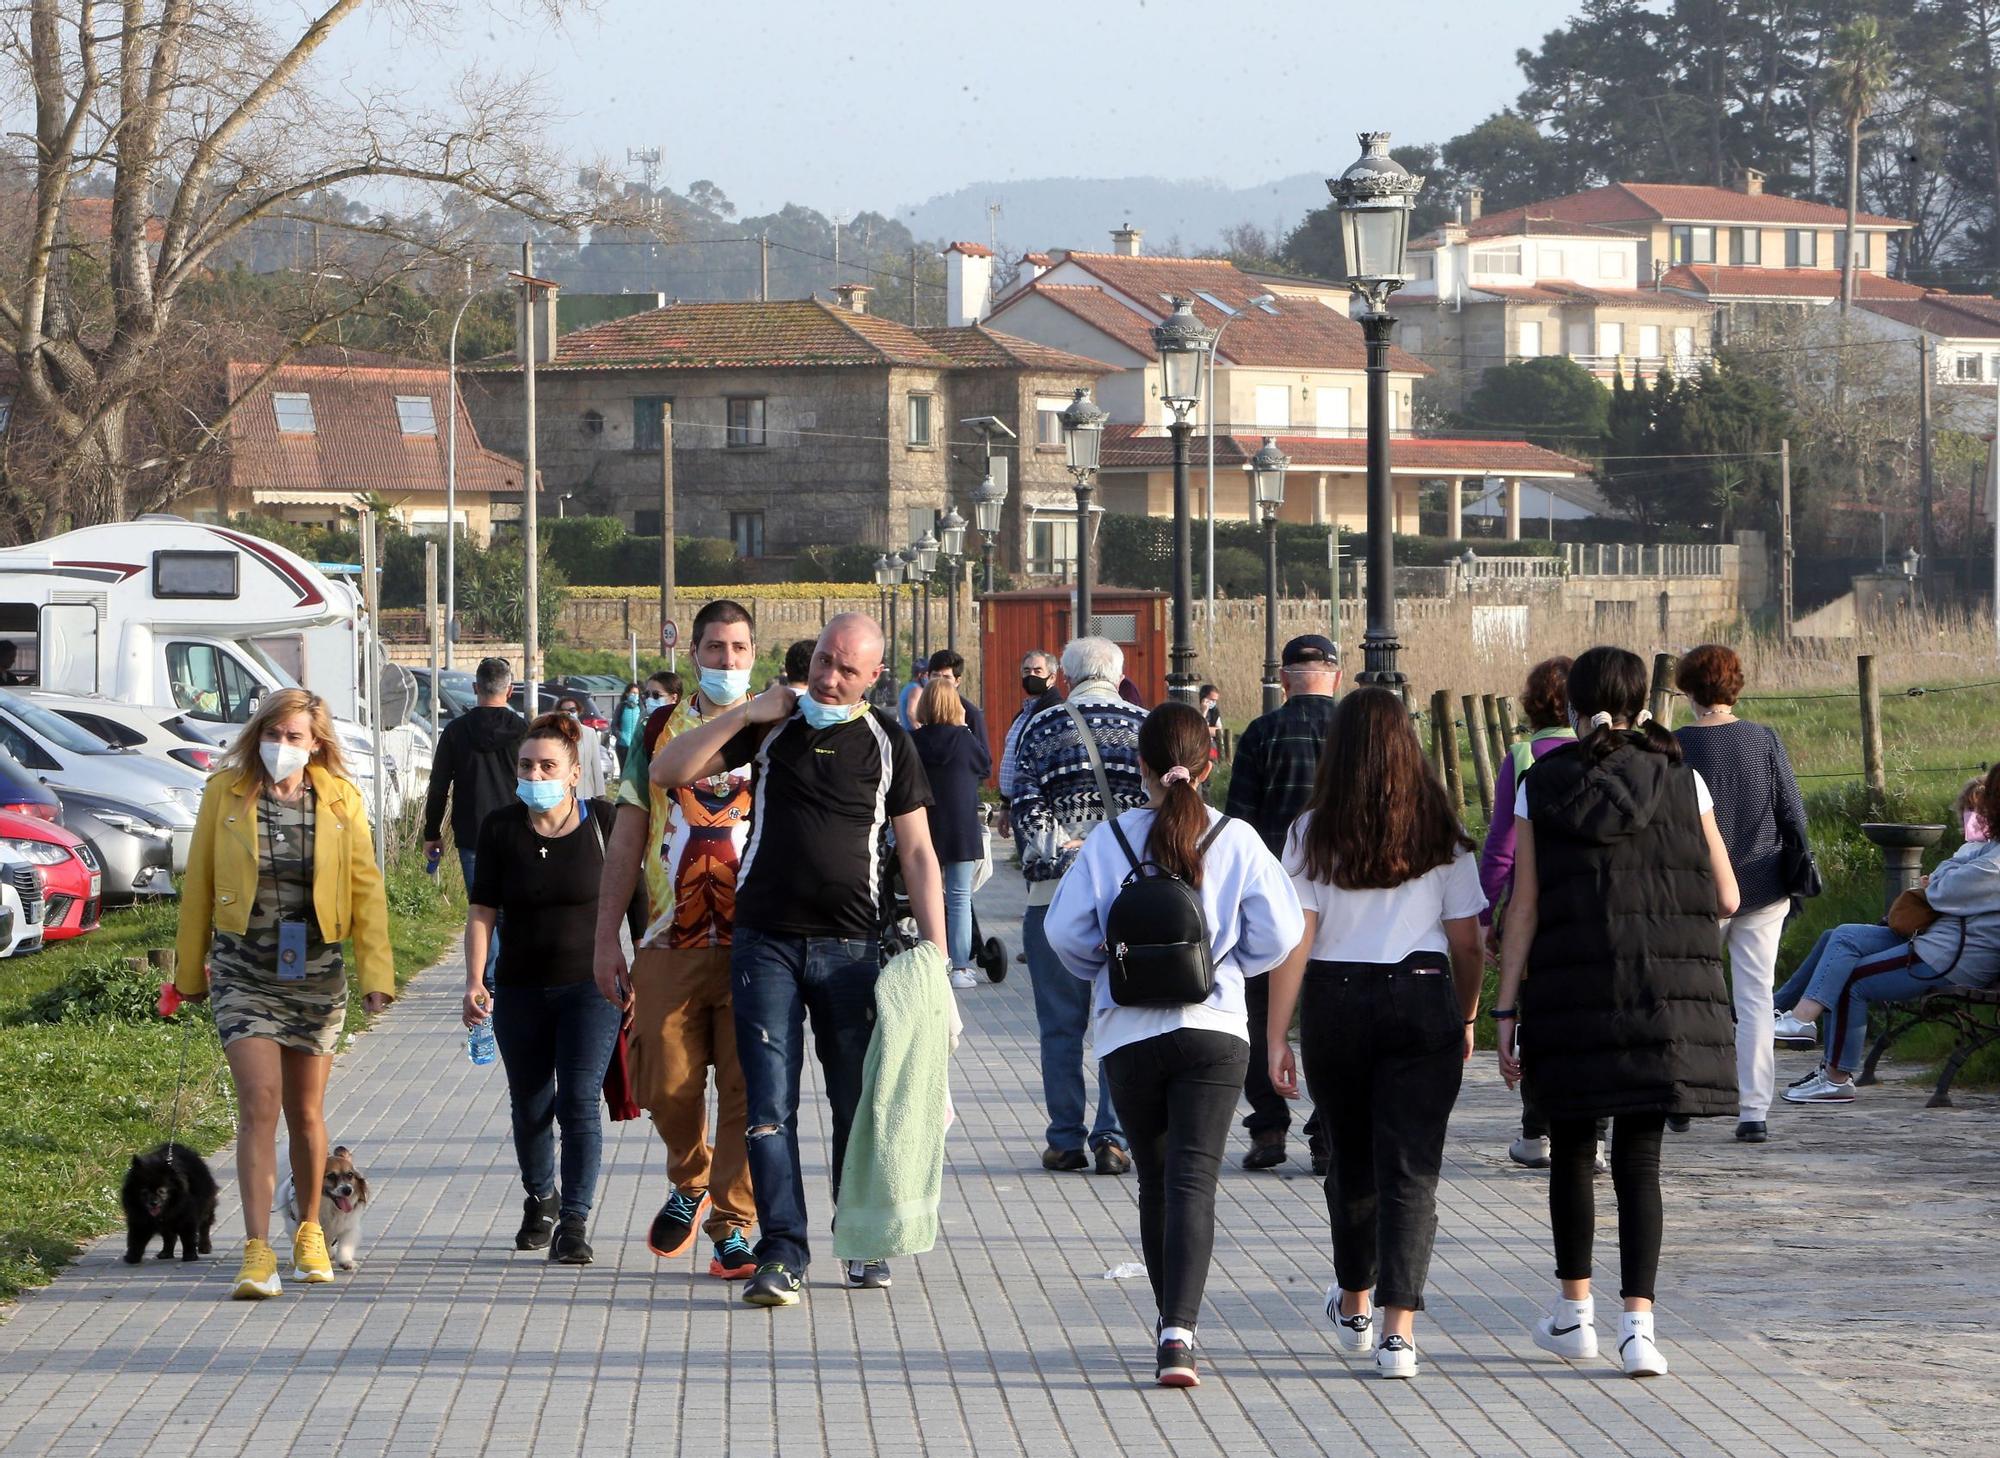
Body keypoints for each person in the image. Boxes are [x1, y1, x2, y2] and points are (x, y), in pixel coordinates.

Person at [651, 612, 946, 1307]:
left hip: (852, 950)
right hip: (766, 944)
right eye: (822, 660)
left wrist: (937, 957)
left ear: (875, 676)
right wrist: (749, 711)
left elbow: (920, 853)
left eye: (847, 667)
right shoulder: (772, 725)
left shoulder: (888, 742)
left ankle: (860, 1237)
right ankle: (781, 1253)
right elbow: (669, 771)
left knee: (856, 1102)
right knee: (767, 1107)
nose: (829, 676)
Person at [1494, 646, 1739, 1379]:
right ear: (1642, 701)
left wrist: (1504, 1010)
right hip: (1662, 997)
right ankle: (1641, 1331)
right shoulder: (1682, 776)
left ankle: (1576, 1318)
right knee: (1641, 1159)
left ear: (1572, 702)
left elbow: (1525, 905)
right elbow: (1727, 895)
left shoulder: (1542, 784)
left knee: (1572, 1151)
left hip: (1571, 996)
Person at [1044, 702, 1302, 1388]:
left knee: (1156, 1181)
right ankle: (1180, 1335)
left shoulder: (1110, 841)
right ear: (1210, 762)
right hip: (1215, 1031)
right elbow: (1280, 935)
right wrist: (1229, 964)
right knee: (1194, 1181)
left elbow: (1064, 934)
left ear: (1141, 769)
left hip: (1129, 1034)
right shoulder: (1237, 838)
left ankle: (1167, 1323)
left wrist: (1105, 969)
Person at [1265, 687, 1484, 1380]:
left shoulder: (1309, 832)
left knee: (1348, 1160)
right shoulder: (1440, 830)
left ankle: (1354, 1302)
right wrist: (1469, 1012)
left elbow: (1293, 940)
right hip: (1423, 994)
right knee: (1412, 1167)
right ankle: (1400, 1333)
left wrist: (1277, 1034)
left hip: (1335, 998)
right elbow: (1469, 941)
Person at [174, 689, 393, 1299]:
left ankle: (308, 1235)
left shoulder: (341, 800)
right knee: (259, 1103)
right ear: (257, 735)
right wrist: (188, 974)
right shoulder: (225, 794)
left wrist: (378, 974)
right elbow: (199, 886)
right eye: (274, 735)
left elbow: (366, 890)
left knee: (305, 1113)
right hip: (243, 969)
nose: (282, 748)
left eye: (295, 738)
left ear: (316, 742)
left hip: (317, 972)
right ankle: (256, 1251)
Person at [592, 600, 761, 1280]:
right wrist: (608, 938)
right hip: (668, 936)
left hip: (758, 944)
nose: (726, 660)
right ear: (694, 652)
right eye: (715, 647)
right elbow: (629, 832)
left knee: (750, 1090)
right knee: (664, 1078)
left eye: (738, 648)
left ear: (756, 654)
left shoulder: (776, 726)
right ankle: (689, 1180)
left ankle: (733, 1223)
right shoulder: (661, 728)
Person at [462, 713, 624, 1265]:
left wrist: (642, 974)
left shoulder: (605, 822)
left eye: (548, 765)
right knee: (530, 1105)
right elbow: (482, 909)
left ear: (574, 773)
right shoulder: (501, 827)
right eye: (527, 765)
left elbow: (642, 905)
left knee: (579, 1102)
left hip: (592, 988)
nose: (536, 774)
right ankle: (541, 1196)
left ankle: (574, 1221)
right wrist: (474, 979)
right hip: (520, 990)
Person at [1773, 762, 2000, 1103]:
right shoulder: (1988, 851)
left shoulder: (1994, 860)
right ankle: (1786, 1017)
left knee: (1852, 980)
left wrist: (1943, 875)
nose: (1981, 811)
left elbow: (1942, 888)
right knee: (1843, 936)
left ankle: (1835, 1077)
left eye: (1989, 800)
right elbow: (1948, 879)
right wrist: (1946, 875)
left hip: (1953, 956)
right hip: (1940, 940)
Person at [1010, 637, 1143, 1177]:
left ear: (1064, 675)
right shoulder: (1146, 725)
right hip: (1131, 898)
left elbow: (1024, 803)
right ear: (1118, 672)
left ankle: (1065, 1139)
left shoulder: (1041, 727)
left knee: (1060, 1024)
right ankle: (1113, 1137)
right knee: (1121, 1017)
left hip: (1056, 897)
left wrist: (1065, 852)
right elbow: (1159, 806)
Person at [1673, 644, 1810, 1143]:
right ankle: (1754, 1111)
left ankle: (1681, 1095)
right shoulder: (1763, 740)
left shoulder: (1672, 746)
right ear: (1736, 686)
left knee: (1687, 993)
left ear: (1687, 689)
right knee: (1755, 998)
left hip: (1695, 890)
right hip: (1763, 882)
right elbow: (1791, 813)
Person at [1225, 634, 1341, 1173]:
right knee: (1324, 1011)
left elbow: (1240, 823)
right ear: (1335, 675)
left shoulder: (1260, 733)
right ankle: (1327, 1132)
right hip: (1343, 894)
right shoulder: (1353, 732)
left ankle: (1269, 1127)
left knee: (1258, 1011)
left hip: (1271, 894)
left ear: (1284, 679)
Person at [1477, 656, 1585, 1170]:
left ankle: (1534, 1132)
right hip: (1587, 903)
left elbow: (1501, 845)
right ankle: (1597, 1135)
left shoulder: (1523, 755)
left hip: (1530, 904)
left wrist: (1485, 913)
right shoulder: (1600, 749)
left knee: (1536, 1016)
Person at [423, 656, 523, 984]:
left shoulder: (455, 732)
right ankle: (514, 976)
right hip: (517, 832)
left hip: (472, 833)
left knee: (482, 909)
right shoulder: (524, 731)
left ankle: (489, 981)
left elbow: (438, 787)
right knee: (515, 907)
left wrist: (432, 832)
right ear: (509, 691)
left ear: (475, 687)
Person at [912, 678, 993, 991]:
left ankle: (930, 961)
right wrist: (965, 724)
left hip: (923, 828)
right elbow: (985, 766)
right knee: (960, 898)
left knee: (925, 897)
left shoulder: (913, 740)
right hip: (960, 828)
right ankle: (960, 967)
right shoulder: (965, 739)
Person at [997, 650, 1059, 844]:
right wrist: (1006, 805)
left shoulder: (1054, 713)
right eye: (1026, 671)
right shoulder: (1023, 714)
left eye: (1038, 671)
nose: (1031, 676)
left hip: (1037, 808)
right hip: (1017, 805)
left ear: (1052, 677)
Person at [925, 648, 987, 748]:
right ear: (928, 677)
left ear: (957, 681)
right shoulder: (922, 709)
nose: (940, 682)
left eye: (946, 678)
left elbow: (984, 758)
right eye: (936, 676)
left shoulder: (971, 714)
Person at [554, 693, 609, 799]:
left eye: (572, 710)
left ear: (578, 711)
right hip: (562, 793)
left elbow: (596, 765)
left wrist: (600, 793)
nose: (568, 713)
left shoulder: (589, 733)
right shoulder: (554, 733)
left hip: (585, 793)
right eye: (564, 710)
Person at [614, 683, 644, 768]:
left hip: (636, 746)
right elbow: (614, 725)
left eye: (636, 693)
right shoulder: (621, 707)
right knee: (624, 769)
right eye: (632, 693)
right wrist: (620, 735)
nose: (634, 695)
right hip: (622, 745)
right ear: (627, 694)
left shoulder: (641, 708)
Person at [897, 663, 929, 732]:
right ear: (920, 675)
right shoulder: (917, 689)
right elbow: (910, 712)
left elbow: (898, 708)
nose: (929, 678)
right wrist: (920, 731)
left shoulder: (907, 687)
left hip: (907, 731)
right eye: (927, 674)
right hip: (913, 733)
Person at [1199, 684, 1222, 763]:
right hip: (1200, 747)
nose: (1213, 703)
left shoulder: (1214, 711)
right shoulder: (1196, 709)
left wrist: (1205, 730)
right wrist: (1204, 712)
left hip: (1212, 746)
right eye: (1211, 700)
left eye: (1215, 700)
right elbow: (1198, 730)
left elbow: (1219, 731)